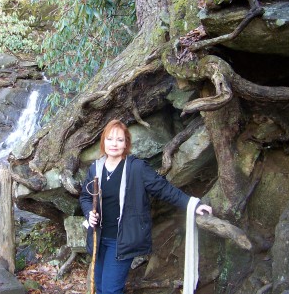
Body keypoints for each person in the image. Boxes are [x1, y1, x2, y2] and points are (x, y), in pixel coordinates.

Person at [79, 119, 212, 294]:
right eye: (110, 139)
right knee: (100, 286)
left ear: (126, 143)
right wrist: (90, 213)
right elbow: (85, 197)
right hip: (98, 237)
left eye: (120, 140)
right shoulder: (96, 168)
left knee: (111, 290)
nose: (114, 144)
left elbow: (163, 189)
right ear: (103, 141)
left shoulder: (137, 168)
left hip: (122, 241)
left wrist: (192, 204)